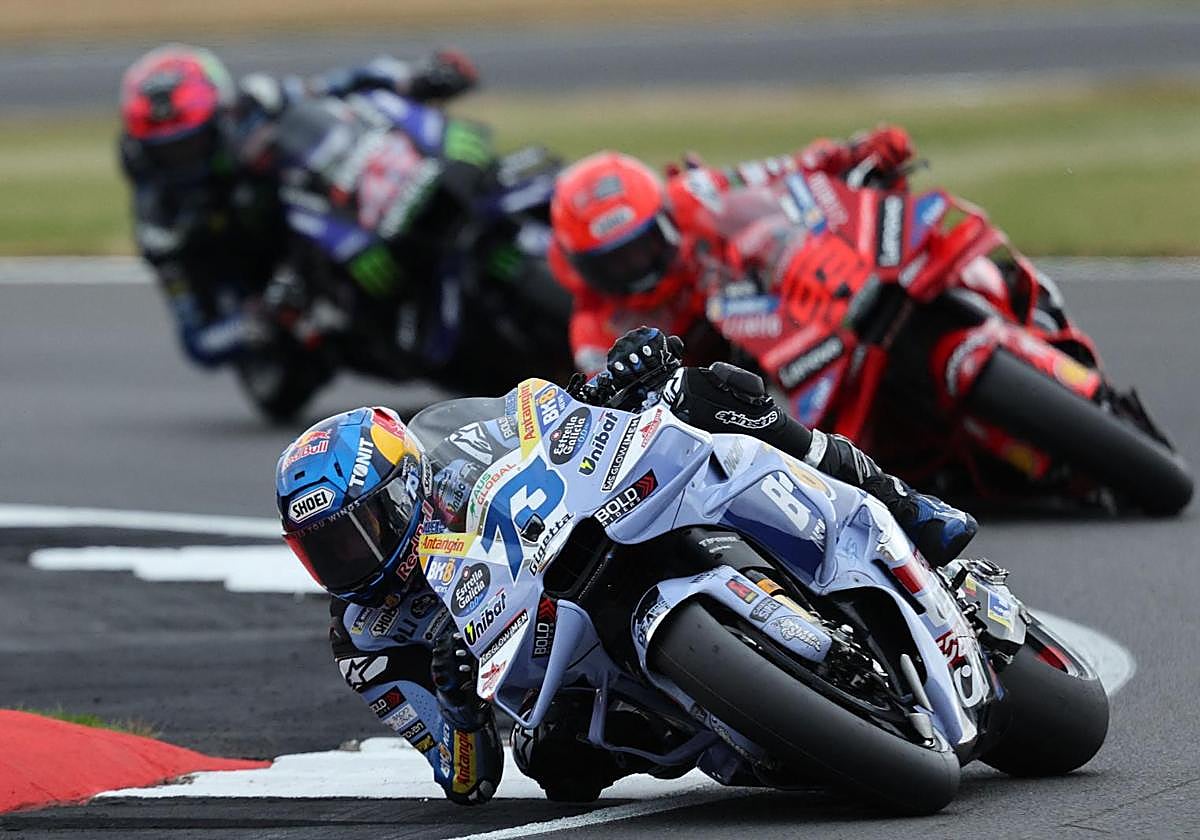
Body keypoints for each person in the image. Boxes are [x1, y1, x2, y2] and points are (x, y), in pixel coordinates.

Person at [274, 326, 976, 805]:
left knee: (710, 392)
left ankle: (901, 503)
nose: (349, 560)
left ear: (403, 490)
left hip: (588, 533)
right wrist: (460, 709)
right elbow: (465, 780)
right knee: (554, 764)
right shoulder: (365, 638)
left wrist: (617, 377)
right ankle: (737, 727)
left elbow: (544, 415)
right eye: (324, 551)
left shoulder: (452, 453)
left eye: (357, 532)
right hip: (551, 669)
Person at [118, 43, 479, 368]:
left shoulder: (255, 104)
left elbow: (335, 85)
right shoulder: (158, 221)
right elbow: (198, 338)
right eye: (167, 151)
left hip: (319, 213)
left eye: (190, 144)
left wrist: (411, 79)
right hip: (266, 286)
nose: (182, 158)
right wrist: (259, 320)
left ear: (220, 116)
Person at [547, 128, 915, 375]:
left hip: (789, 317)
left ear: (663, 220)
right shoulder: (593, 333)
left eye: (643, 246)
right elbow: (619, 411)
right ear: (582, 268)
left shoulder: (692, 193)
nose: (636, 266)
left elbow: (783, 171)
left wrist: (852, 153)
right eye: (614, 263)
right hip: (729, 411)